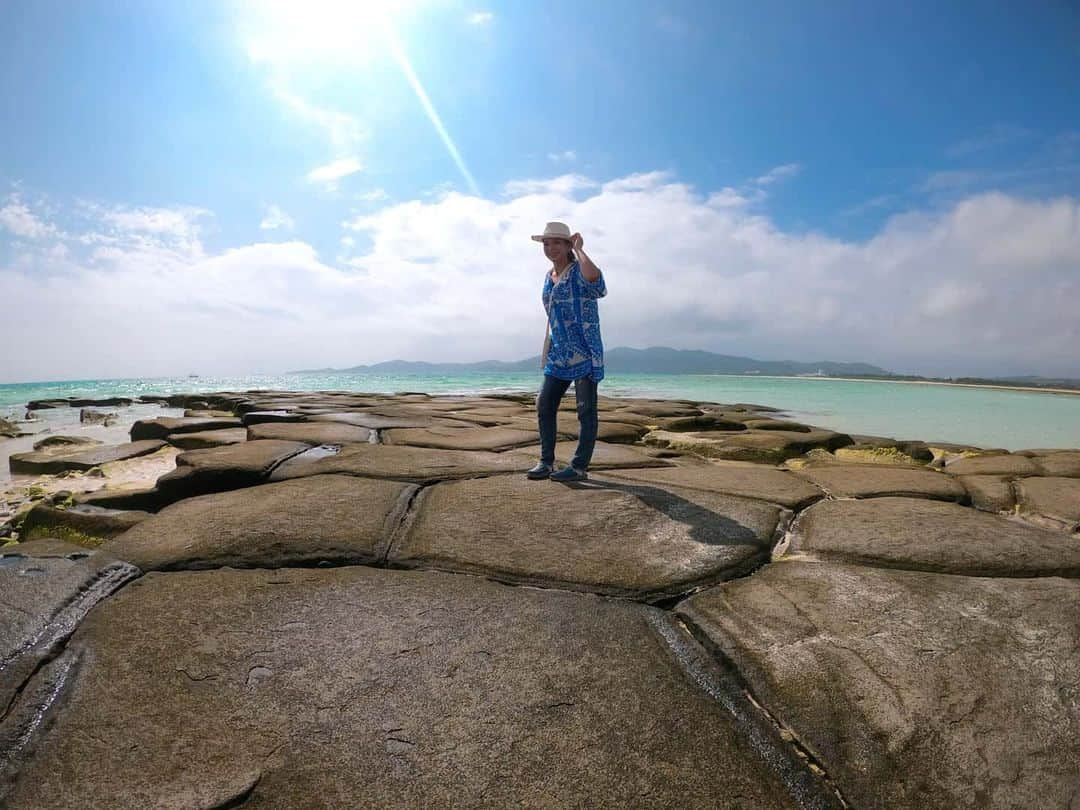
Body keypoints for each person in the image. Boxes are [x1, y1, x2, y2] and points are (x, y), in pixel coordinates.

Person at [526, 221, 607, 482]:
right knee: (545, 403)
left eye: (556, 243)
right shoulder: (547, 277)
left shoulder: (578, 271)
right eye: (546, 244)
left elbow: (596, 281)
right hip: (559, 352)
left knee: (585, 411)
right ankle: (546, 461)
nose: (550, 248)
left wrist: (581, 249)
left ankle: (579, 466)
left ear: (567, 245)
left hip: (584, 349)